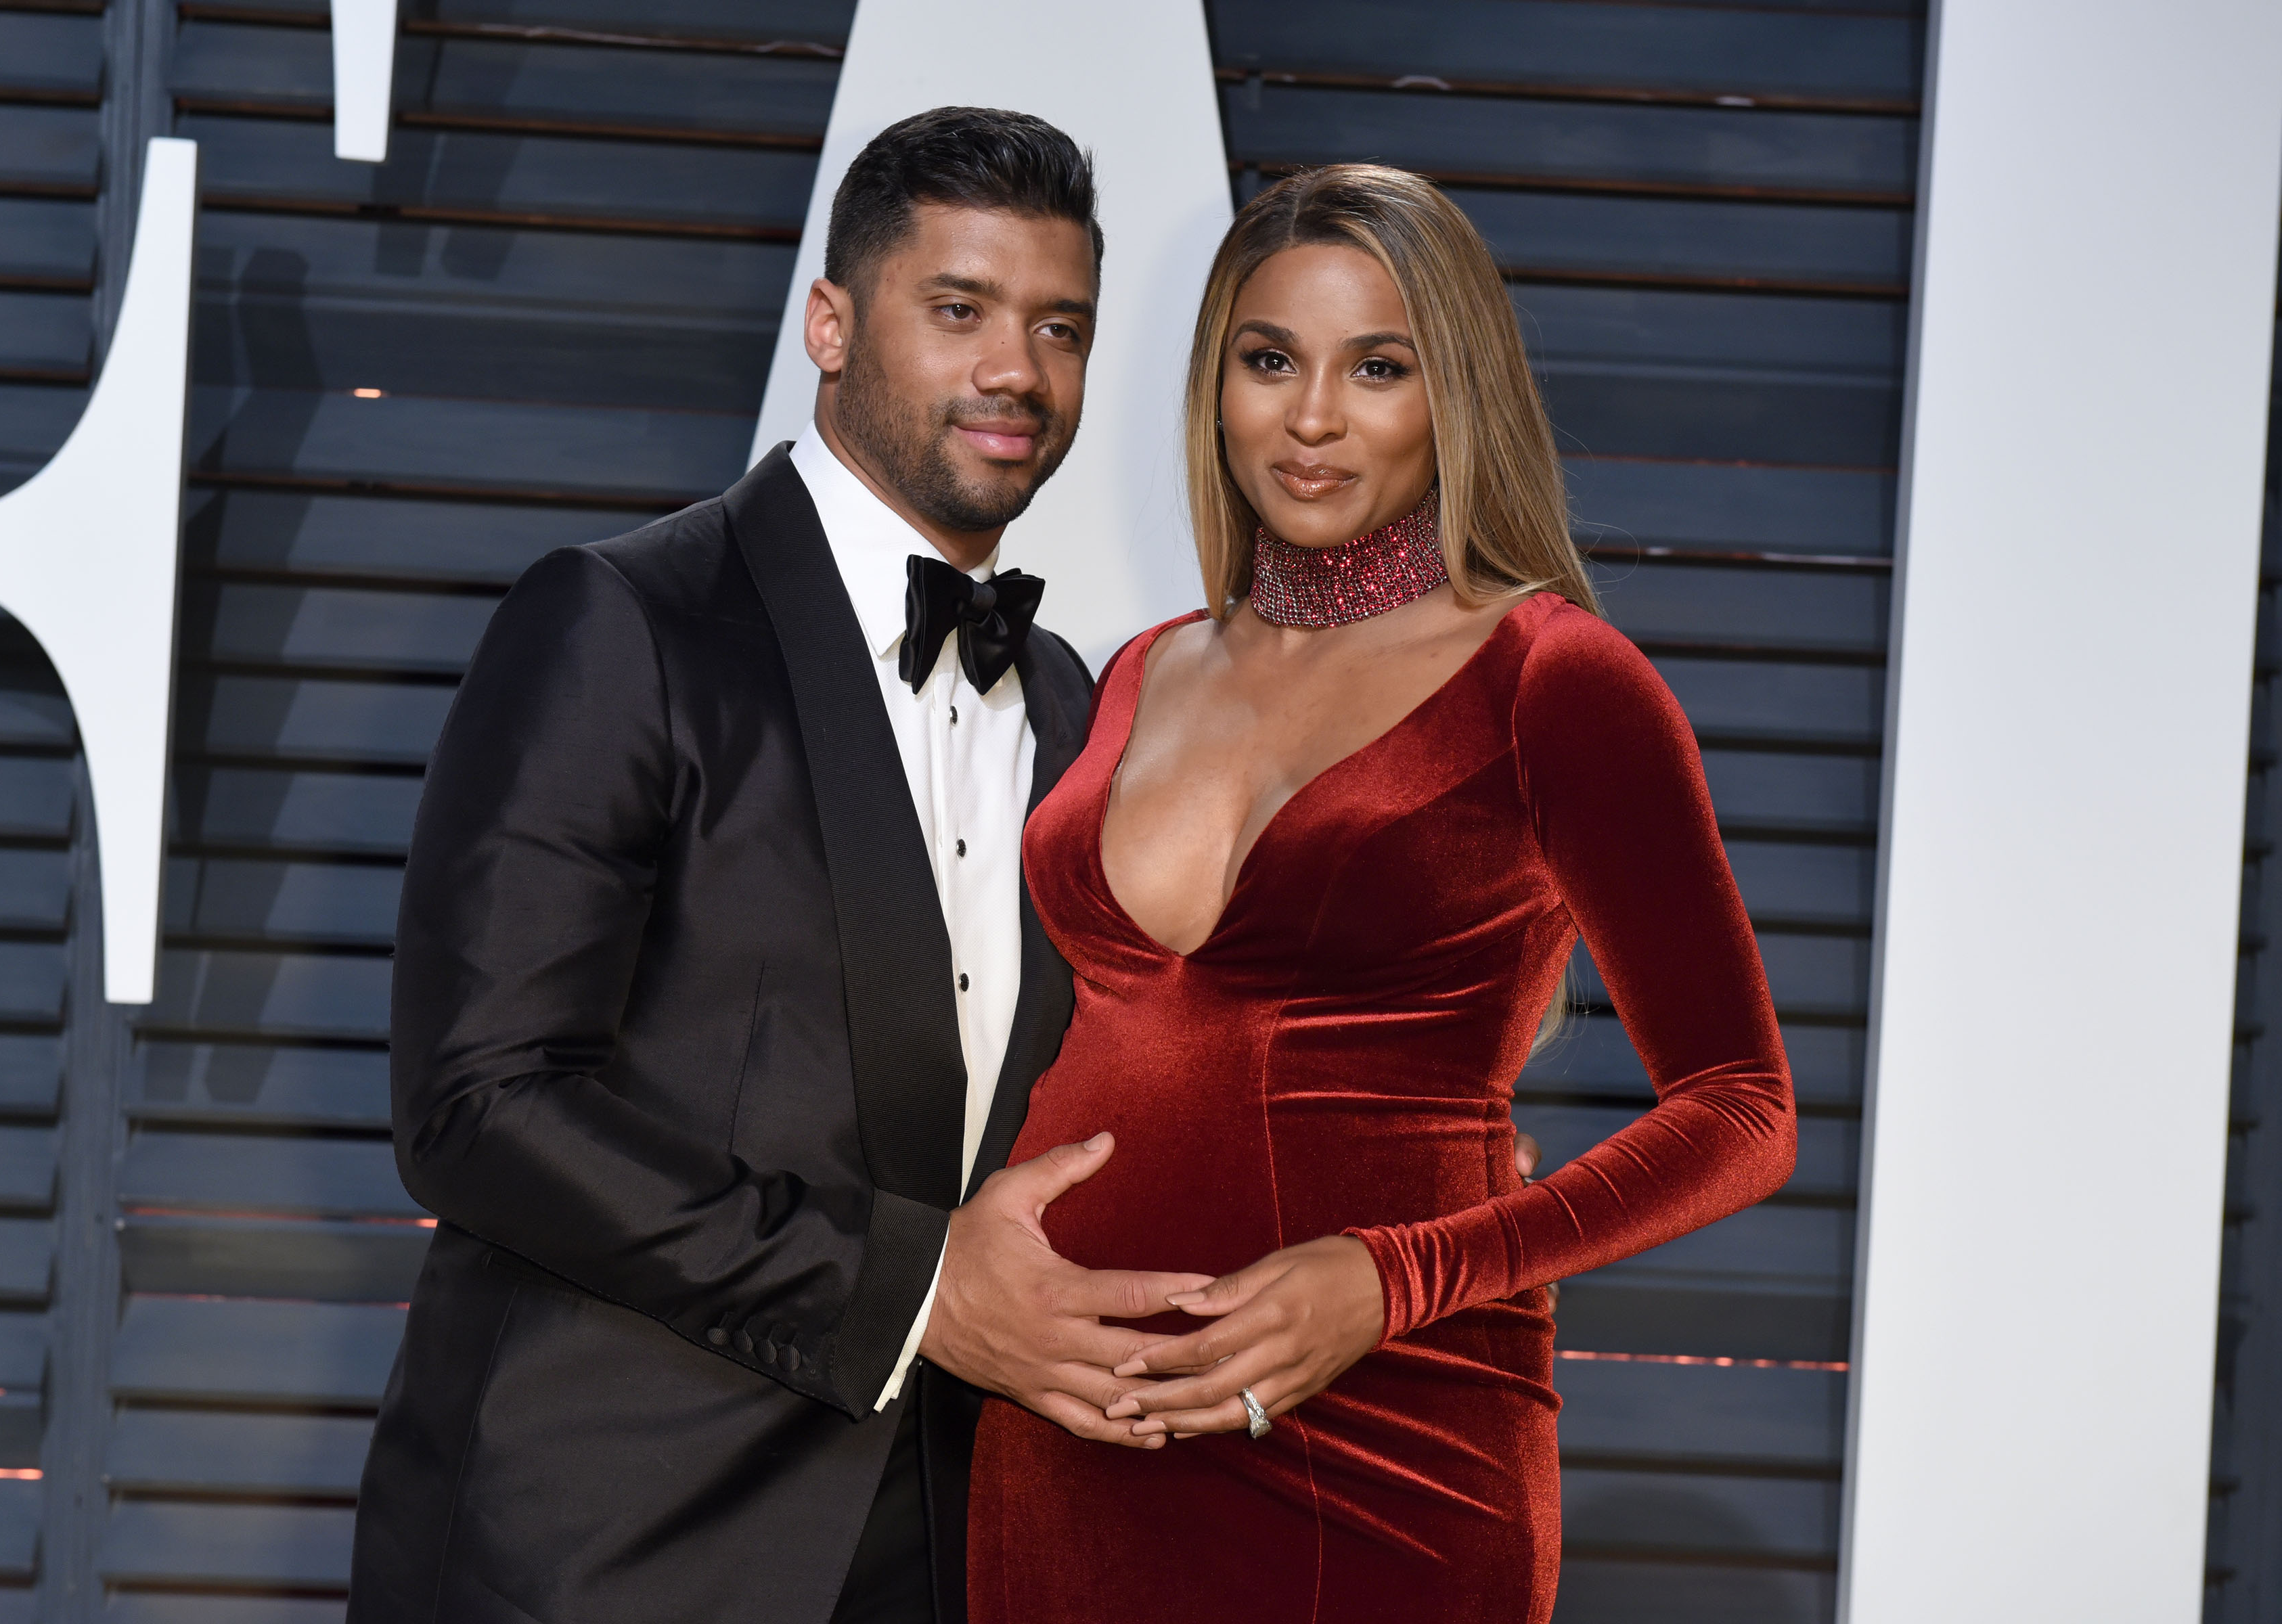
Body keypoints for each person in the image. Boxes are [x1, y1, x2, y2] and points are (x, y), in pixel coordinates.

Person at [347, 108, 1209, 1624]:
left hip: (949, 1552)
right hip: (600, 1556)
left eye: (1058, 327)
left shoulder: (1080, 702)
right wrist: (919, 1294)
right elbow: (478, 1103)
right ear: (829, 321)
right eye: (959, 310)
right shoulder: (622, 624)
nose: (1015, 370)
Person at [966, 164, 1799, 1623]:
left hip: (1384, 1441)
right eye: (1270, 359)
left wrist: (1393, 1278)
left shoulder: (1554, 681)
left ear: (1454, 392)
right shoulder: (1138, 671)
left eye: (1379, 369)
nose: (1310, 418)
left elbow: (1742, 1109)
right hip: (1071, 1429)